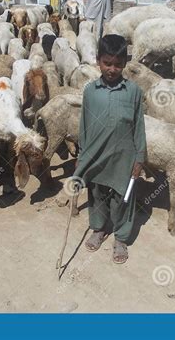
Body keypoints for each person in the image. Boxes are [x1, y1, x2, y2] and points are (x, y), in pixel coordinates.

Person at [73, 34, 146, 264]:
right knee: (96, 193)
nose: (112, 69)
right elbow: (84, 124)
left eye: (117, 64)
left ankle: (121, 237)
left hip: (124, 156)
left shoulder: (133, 92)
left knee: (123, 197)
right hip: (96, 155)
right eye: (107, 63)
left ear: (125, 63)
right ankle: (98, 228)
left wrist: (139, 158)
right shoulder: (90, 91)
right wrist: (81, 154)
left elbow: (139, 127)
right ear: (98, 61)